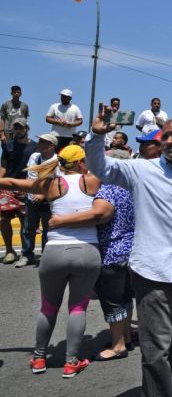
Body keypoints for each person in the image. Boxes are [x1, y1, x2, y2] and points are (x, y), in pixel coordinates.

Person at [87, 108, 172, 397]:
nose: (169, 141)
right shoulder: (141, 169)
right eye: (165, 136)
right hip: (150, 271)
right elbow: (101, 168)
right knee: (155, 347)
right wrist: (97, 137)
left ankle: (159, 389)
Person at [0, 145, 101, 377]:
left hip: (54, 251)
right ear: (79, 162)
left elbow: (14, 184)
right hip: (88, 251)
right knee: (77, 307)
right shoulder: (94, 181)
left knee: (48, 308)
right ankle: (71, 362)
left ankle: (38, 359)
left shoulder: (51, 184)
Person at [48, 149, 135, 362]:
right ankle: (126, 336)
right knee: (123, 298)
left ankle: (118, 345)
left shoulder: (106, 190)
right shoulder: (127, 187)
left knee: (112, 301)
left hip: (110, 252)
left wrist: (61, 221)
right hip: (127, 250)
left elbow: (99, 214)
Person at [16, 133, 58, 268]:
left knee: (47, 230)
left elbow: (57, 183)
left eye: (41, 141)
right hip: (30, 200)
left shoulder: (57, 161)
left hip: (48, 202)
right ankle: (27, 254)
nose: (38, 143)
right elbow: (30, 176)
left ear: (51, 146)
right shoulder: (35, 156)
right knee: (28, 228)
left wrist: (43, 195)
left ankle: (46, 257)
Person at [0, 118, 36, 264]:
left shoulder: (35, 147)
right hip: (8, 186)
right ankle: (9, 251)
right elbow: (3, 165)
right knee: (3, 219)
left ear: (27, 128)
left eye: (20, 127)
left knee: (25, 222)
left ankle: (25, 253)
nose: (18, 130)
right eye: (15, 127)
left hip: (26, 187)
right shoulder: (8, 146)